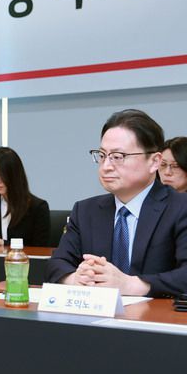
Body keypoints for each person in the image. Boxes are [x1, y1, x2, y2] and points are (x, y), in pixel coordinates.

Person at [45, 109, 187, 297]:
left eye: (118, 156)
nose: (106, 166)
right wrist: (76, 279)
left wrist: (131, 285)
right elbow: (57, 264)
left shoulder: (180, 208)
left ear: (154, 162)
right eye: (102, 155)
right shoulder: (86, 211)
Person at [0, 147, 50, 247]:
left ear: (14, 175)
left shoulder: (38, 208)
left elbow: (40, 249)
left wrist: (4, 243)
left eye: (2, 174)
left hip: (23, 258)